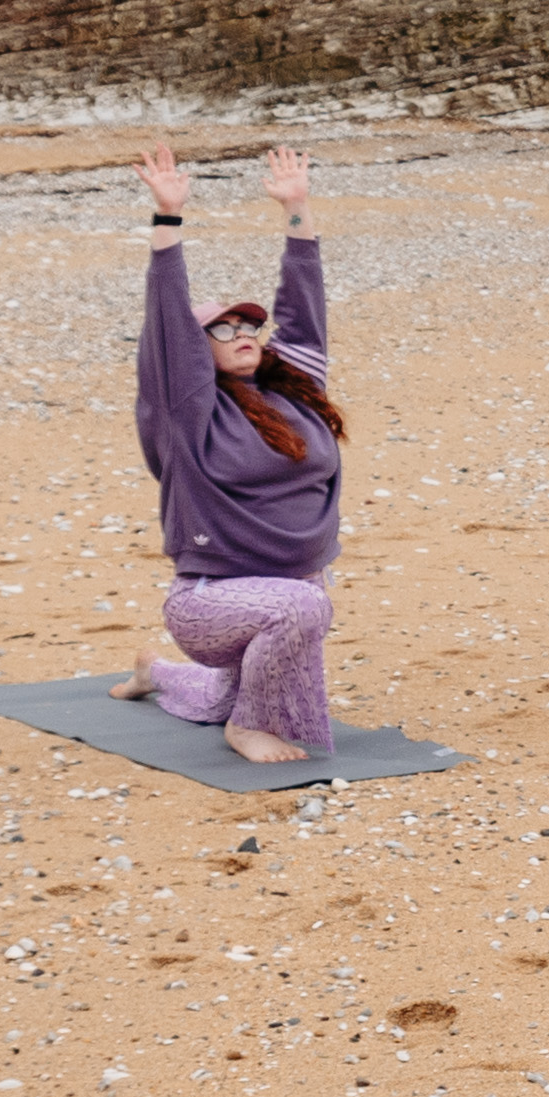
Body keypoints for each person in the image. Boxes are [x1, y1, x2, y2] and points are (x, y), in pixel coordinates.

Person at [131, 145, 347, 763]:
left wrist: (297, 208)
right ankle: (247, 726)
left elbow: (304, 312)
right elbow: (169, 323)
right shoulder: (187, 413)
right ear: (197, 352)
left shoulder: (296, 391)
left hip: (283, 600)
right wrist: (168, 223)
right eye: (222, 330)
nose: (242, 335)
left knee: (239, 673)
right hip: (209, 601)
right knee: (306, 606)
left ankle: (155, 673)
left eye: (249, 327)